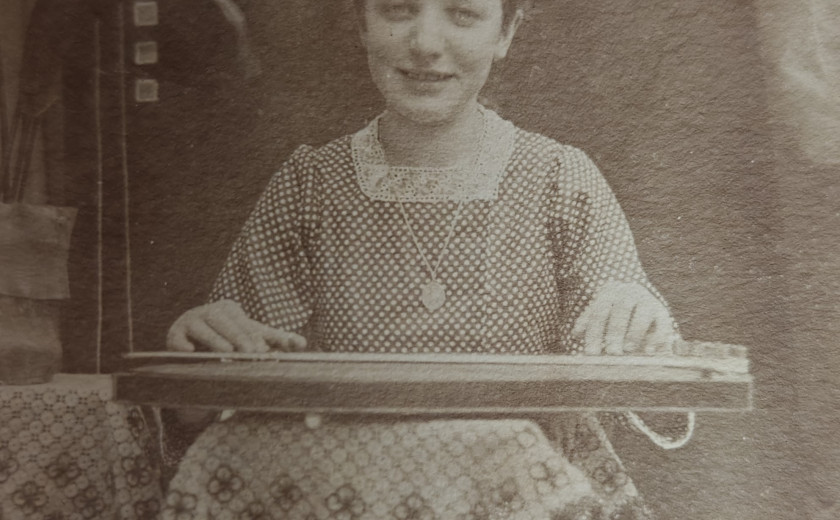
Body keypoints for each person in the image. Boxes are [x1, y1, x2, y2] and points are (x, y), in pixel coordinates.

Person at [162, 0, 681, 518]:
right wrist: (201, 356)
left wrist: (638, 319)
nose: (426, 44)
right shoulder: (310, 187)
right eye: (398, 9)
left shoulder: (560, 180)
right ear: (361, 25)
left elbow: (635, 356)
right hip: (346, 498)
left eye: (462, 14)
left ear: (506, 32)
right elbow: (226, 391)